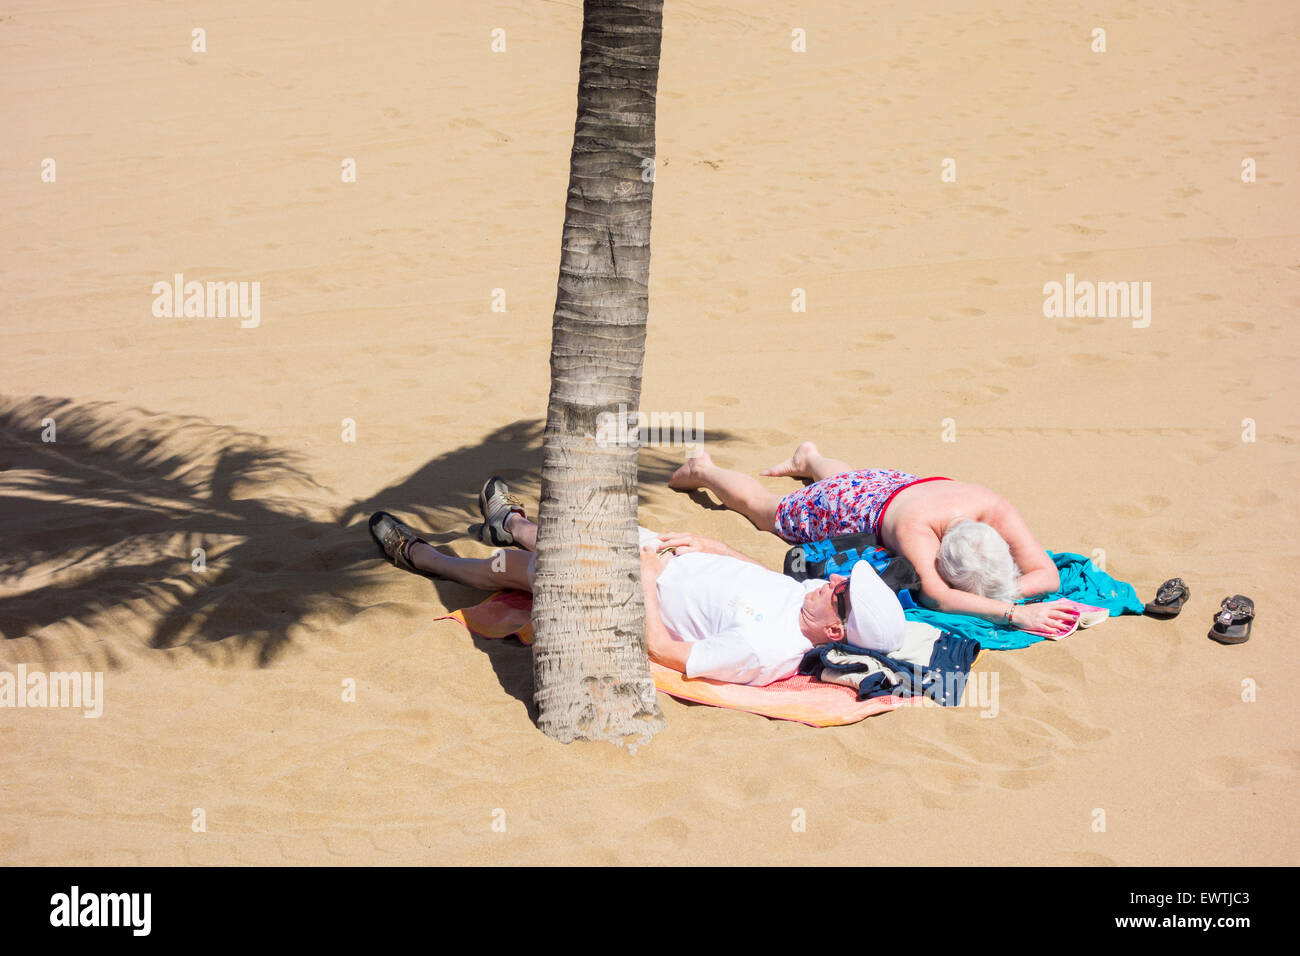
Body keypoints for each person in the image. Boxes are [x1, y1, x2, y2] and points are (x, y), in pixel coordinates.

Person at [367, 477, 907, 686]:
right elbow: (764, 579)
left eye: (841, 591)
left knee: (513, 570)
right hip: (659, 557)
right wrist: (718, 547)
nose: (832, 578)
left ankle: (427, 559)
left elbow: (666, 651)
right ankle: (509, 524)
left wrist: (647, 581)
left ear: (836, 631)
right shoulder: (807, 603)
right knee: (584, 524)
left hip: (631, 587)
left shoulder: (765, 652)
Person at [668, 441, 1080, 637]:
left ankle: (809, 458)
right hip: (850, 507)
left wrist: (1008, 590)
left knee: (849, 477)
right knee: (766, 512)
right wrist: (1013, 612)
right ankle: (704, 469)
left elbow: (1048, 575)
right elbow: (939, 597)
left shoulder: (993, 507)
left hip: (888, 485)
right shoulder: (916, 532)